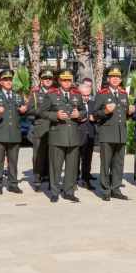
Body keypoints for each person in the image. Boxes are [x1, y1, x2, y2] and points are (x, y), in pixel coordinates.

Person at [42, 68, 86, 202]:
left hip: (72, 135)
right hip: (57, 135)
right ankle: (55, 193)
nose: (67, 82)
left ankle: (69, 191)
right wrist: (55, 115)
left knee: (72, 167)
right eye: (64, 80)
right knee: (55, 166)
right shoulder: (51, 94)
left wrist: (79, 115)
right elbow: (42, 112)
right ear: (59, 80)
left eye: (69, 80)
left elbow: (84, 111)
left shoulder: (77, 95)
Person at [0, 69, 27, 194]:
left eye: (10, 80)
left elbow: (23, 117)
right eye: (5, 80)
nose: (8, 82)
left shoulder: (18, 97)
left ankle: (13, 184)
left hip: (14, 133)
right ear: (0, 82)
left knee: (13, 160)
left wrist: (24, 112)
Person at [94, 65, 133, 201]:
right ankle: (105, 189)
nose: (115, 79)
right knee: (106, 163)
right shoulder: (102, 94)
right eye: (113, 77)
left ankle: (115, 188)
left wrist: (129, 112)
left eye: (118, 77)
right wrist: (104, 111)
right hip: (107, 133)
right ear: (108, 78)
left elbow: (124, 115)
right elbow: (95, 114)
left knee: (119, 163)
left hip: (121, 133)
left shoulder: (123, 95)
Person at [27, 68, 55, 192]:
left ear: (53, 80)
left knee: (53, 157)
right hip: (40, 127)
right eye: (45, 78)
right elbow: (30, 110)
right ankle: (37, 180)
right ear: (41, 80)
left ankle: (51, 180)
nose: (47, 80)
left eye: (50, 78)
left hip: (54, 128)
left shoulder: (57, 93)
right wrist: (43, 112)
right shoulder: (35, 94)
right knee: (38, 156)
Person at [77, 84, 96, 189]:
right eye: (83, 95)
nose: (86, 97)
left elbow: (100, 115)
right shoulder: (74, 104)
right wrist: (79, 118)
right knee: (75, 160)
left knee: (87, 160)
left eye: (88, 95)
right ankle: (74, 180)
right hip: (78, 134)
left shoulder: (93, 103)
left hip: (90, 135)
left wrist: (95, 118)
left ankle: (86, 181)